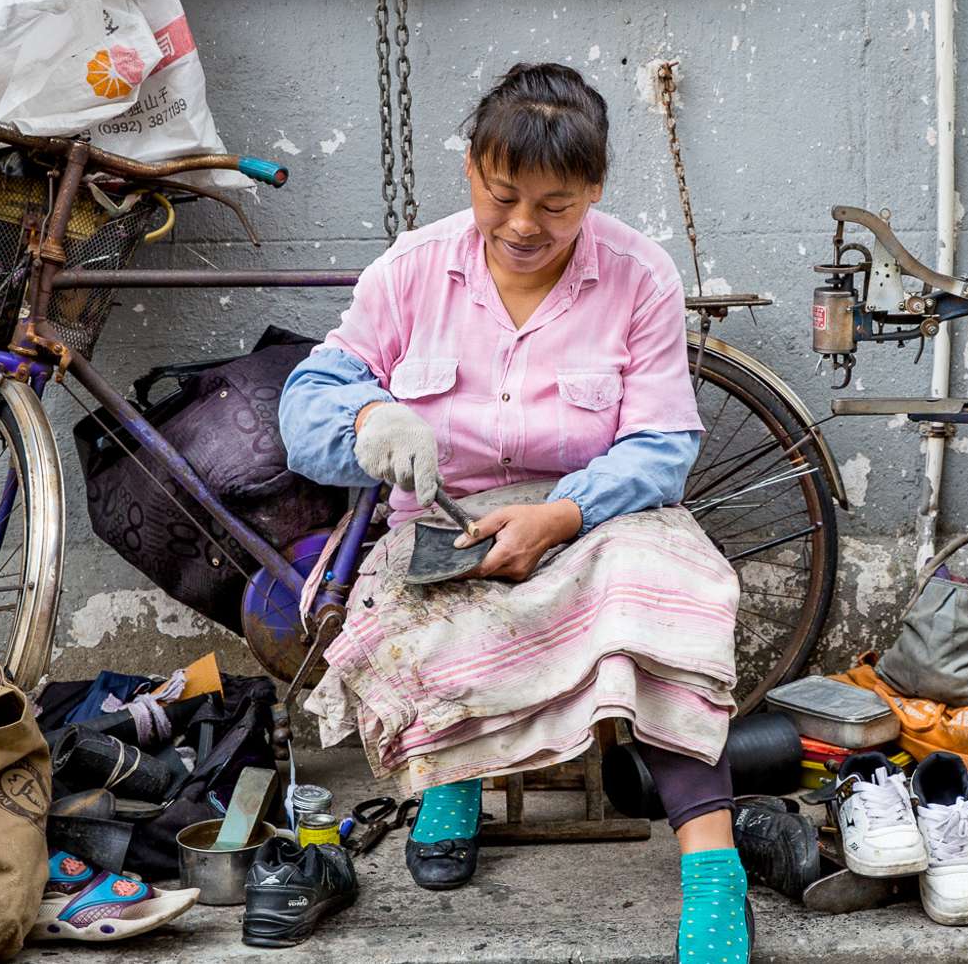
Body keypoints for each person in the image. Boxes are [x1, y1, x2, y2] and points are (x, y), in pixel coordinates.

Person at [278, 62, 748, 963]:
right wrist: (366, 418)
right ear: (471, 172)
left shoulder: (639, 276)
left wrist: (560, 515)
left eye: (555, 205)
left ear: (595, 190)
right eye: (503, 197)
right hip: (447, 523)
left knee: (660, 601)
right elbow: (306, 406)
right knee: (425, 609)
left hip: (601, 515)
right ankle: (454, 777)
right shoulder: (411, 271)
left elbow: (661, 447)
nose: (525, 225)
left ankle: (712, 869)